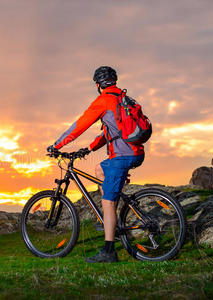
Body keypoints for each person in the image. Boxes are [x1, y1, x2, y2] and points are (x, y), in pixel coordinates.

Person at [47, 66, 145, 263]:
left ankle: (109, 252)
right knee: (100, 169)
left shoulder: (103, 100)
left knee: (107, 202)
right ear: (114, 81)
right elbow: (113, 131)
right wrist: (89, 149)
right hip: (136, 152)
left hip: (122, 156)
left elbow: (79, 126)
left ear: (98, 85)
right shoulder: (123, 99)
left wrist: (56, 145)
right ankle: (111, 220)